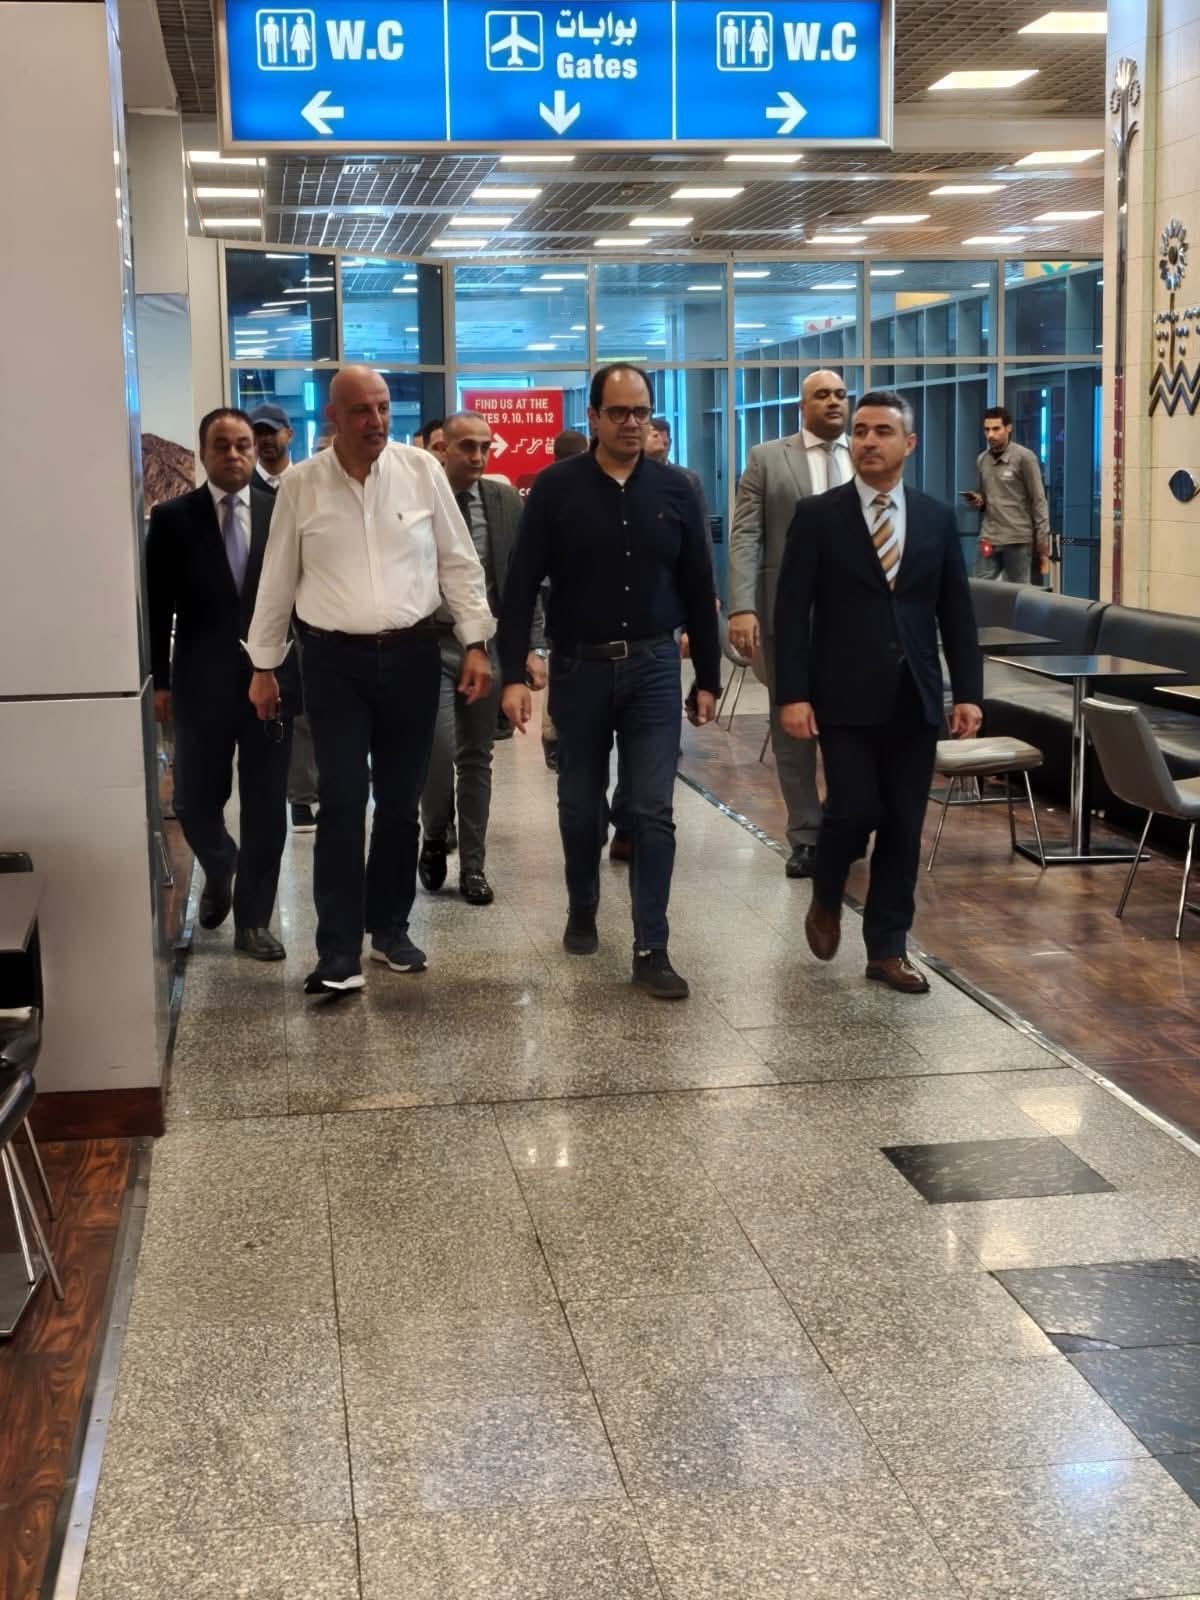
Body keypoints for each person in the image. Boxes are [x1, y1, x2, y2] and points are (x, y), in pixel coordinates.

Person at [246, 366, 495, 995]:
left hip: (413, 656)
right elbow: (277, 578)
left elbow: (458, 561)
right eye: (361, 410)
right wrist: (263, 666)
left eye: (383, 408)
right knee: (342, 798)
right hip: (333, 663)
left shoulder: (421, 471)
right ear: (333, 416)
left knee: (400, 802)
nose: (376, 421)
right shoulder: (302, 485)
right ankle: (337, 951)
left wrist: (475, 643)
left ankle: (389, 929)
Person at [499, 364, 720, 1000]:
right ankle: (583, 903)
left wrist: (707, 676)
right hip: (580, 668)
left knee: (652, 809)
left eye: (640, 412)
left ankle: (652, 945)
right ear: (593, 417)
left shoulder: (677, 488)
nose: (631, 423)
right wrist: (514, 672)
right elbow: (520, 584)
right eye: (618, 412)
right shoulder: (556, 488)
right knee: (580, 807)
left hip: (654, 667)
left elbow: (697, 584)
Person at [775, 390, 982, 994]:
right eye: (860, 431)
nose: (868, 441)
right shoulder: (819, 515)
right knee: (854, 808)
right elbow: (791, 612)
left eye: (882, 432)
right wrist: (792, 693)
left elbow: (955, 612)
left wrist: (968, 692)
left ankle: (888, 948)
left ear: (908, 444)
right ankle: (827, 890)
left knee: (902, 824)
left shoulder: (935, 518)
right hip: (841, 694)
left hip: (915, 695)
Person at [147, 408, 298, 962]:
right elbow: (157, 607)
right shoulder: (172, 519)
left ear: (254, 452)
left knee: (265, 805)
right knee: (191, 799)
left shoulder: (283, 511)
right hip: (199, 681)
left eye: (242, 445)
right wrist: (160, 683)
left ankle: (254, 922)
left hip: (272, 681)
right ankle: (220, 863)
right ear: (203, 453)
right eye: (222, 446)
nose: (233, 455)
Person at [728, 370, 852, 880]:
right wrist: (742, 606)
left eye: (840, 394)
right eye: (822, 395)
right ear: (802, 406)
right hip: (789, 619)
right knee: (793, 733)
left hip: (854, 624)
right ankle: (805, 837)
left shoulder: (866, 455)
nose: (833, 402)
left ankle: (845, 827)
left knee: (851, 731)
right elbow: (746, 535)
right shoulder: (767, 458)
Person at [419, 412, 546, 904]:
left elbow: (522, 579)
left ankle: (473, 865)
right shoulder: (419, 499)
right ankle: (435, 833)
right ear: (442, 449)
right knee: (437, 751)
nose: (477, 456)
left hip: (487, 645)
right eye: (467, 446)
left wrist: (530, 647)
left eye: (485, 447)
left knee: (477, 756)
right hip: (430, 643)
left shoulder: (502, 500)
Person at [249, 404, 320, 835]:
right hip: (271, 609)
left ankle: (313, 786)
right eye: (258, 433)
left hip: (315, 610)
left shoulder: (310, 484)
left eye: (272, 432)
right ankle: (299, 796)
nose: (265, 440)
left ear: (289, 434)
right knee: (285, 706)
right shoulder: (247, 493)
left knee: (313, 704)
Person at [964, 406, 1050, 585]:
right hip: (989, 537)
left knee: (1016, 593)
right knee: (979, 589)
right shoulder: (982, 460)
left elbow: (1038, 500)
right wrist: (978, 500)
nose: (990, 435)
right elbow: (984, 495)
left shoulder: (1024, 458)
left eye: (996, 429)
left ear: (1008, 428)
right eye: (987, 429)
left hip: (1017, 539)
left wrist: (1042, 539)